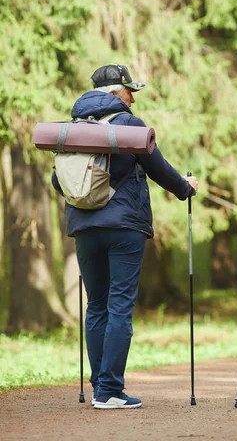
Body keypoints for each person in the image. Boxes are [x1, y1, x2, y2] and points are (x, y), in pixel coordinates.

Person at [52, 64, 198, 409]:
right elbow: (157, 167)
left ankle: (99, 385)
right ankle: (110, 391)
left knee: (97, 306)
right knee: (119, 305)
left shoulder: (73, 128)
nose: (133, 97)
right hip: (124, 228)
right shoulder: (129, 125)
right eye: (130, 90)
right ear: (115, 93)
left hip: (84, 227)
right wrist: (185, 189)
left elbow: (58, 181)